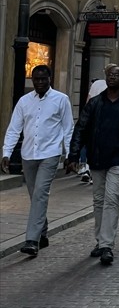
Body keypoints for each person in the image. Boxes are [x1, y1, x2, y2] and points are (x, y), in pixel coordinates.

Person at [66, 64, 119, 265]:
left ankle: (107, 245)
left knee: (111, 198)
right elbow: (80, 129)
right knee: (99, 200)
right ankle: (100, 241)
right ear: (106, 78)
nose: (112, 77)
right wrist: (74, 155)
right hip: (97, 158)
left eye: (117, 75)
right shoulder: (94, 104)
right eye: (110, 74)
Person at [1, 65, 74, 259]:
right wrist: (6, 153)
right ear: (32, 80)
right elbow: (14, 128)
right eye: (36, 79)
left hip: (50, 153)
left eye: (43, 79)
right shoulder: (24, 101)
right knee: (35, 196)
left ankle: (31, 241)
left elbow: (68, 129)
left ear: (50, 79)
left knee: (41, 193)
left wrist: (69, 155)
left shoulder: (61, 99)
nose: (40, 82)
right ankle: (42, 231)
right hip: (28, 155)